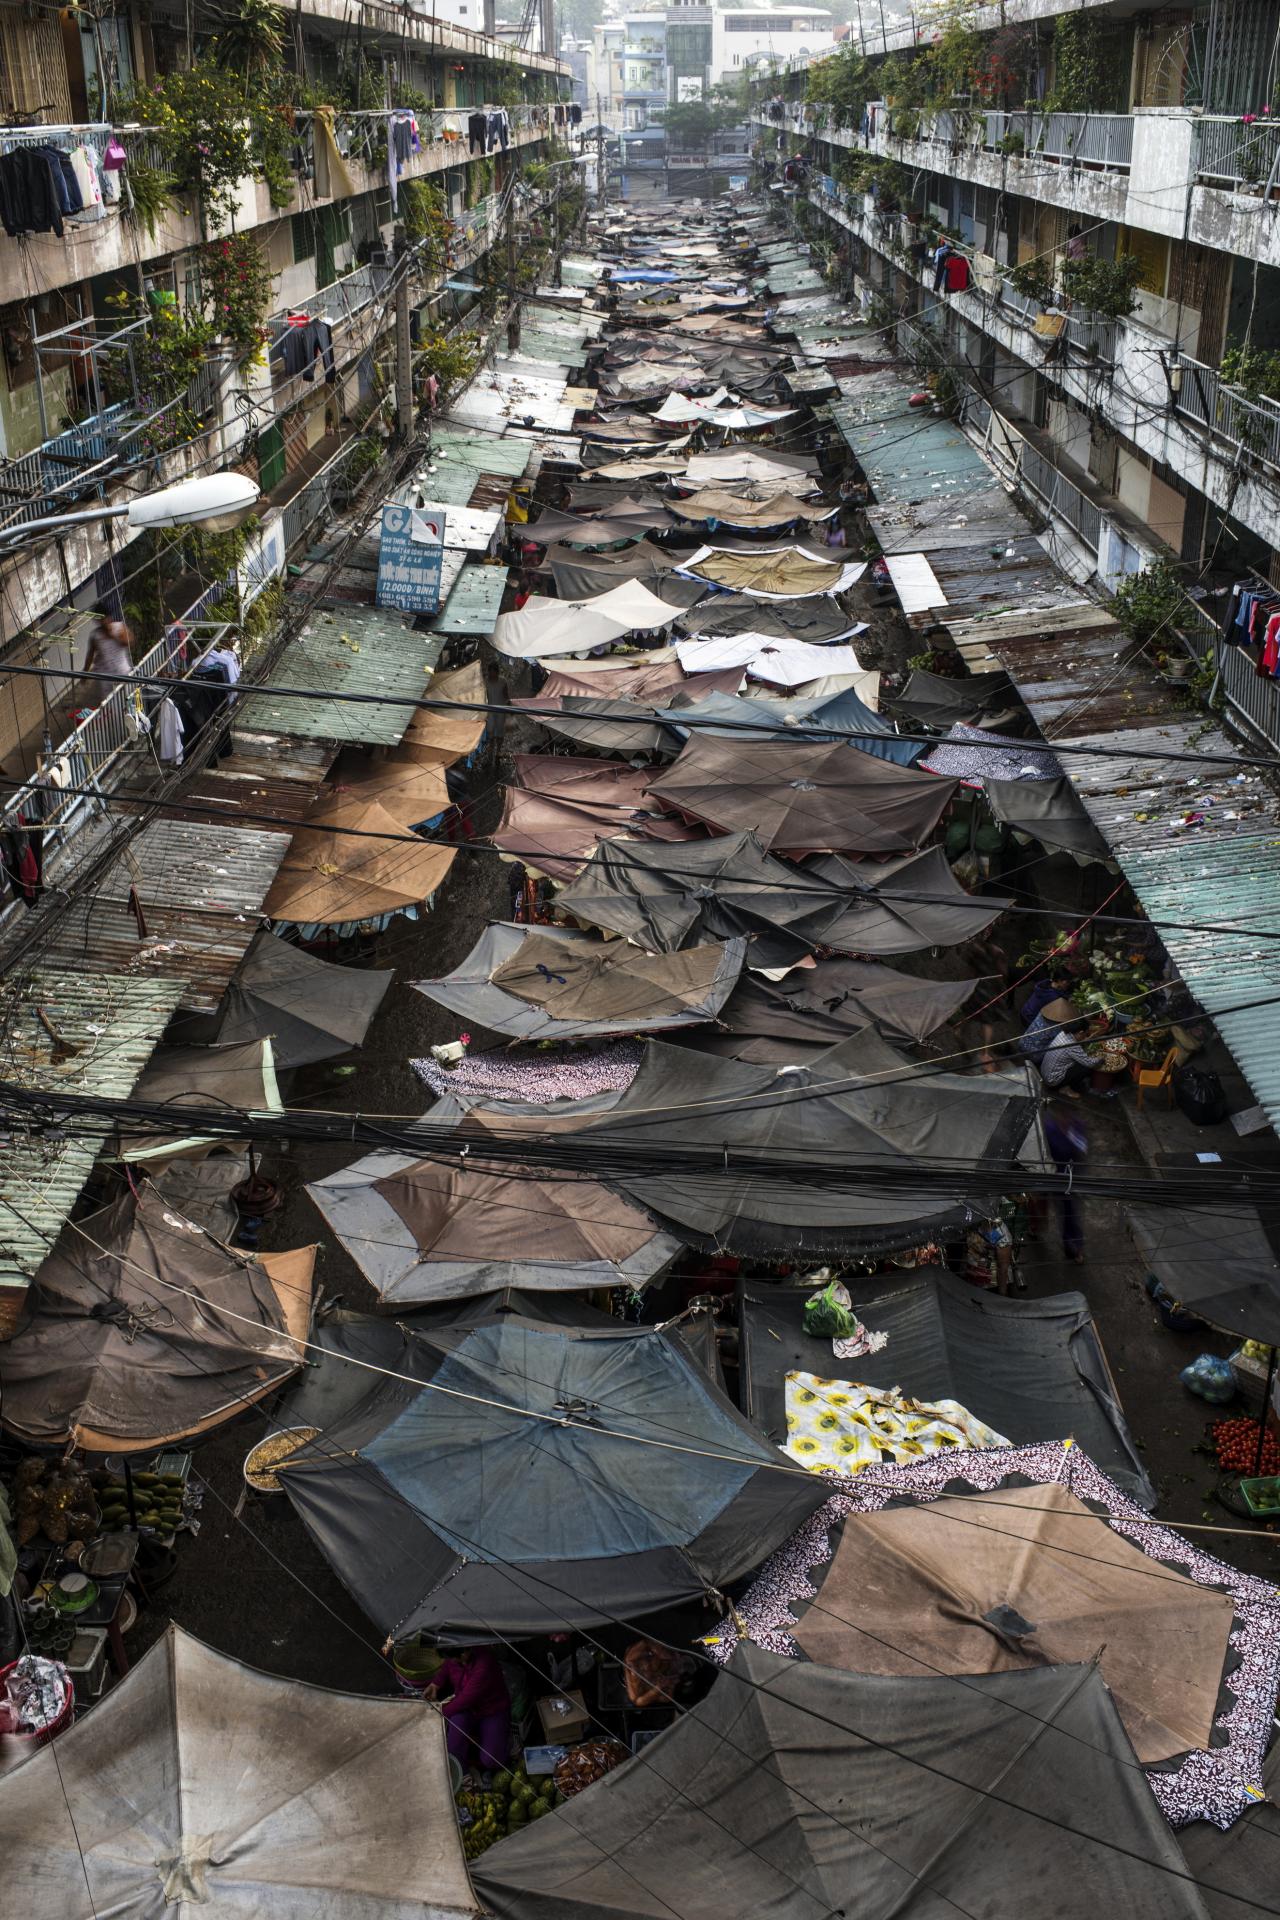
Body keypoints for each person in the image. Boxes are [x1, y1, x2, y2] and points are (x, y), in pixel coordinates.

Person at [426, 1646, 511, 1781]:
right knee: (454, 1745)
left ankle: (507, 1746)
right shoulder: (454, 1658)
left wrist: (436, 1714)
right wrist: (435, 1684)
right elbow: (447, 1666)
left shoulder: (484, 1664)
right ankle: (462, 1774)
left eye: (455, 1658)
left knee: (491, 1760)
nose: (452, 1661)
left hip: (492, 1710)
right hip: (467, 1709)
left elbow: (465, 1700)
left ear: (465, 1652)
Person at [83, 615, 133, 701]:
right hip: (105, 676)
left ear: (109, 617)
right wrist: (84, 674)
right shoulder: (95, 635)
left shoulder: (119, 627)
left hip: (122, 671)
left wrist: (113, 635)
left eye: (104, 619)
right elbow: (90, 655)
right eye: (100, 620)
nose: (103, 622)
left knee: (128, 698)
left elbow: (128, 642)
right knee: (109, 702)